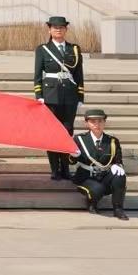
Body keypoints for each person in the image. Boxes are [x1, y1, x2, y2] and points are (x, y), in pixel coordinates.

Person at [33, 16, 85, 180]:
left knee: (67, 132)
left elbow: (79, 74)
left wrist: (80, 96)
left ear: (66, 30)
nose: (58, 30)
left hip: (70, 95)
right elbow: (37, 75)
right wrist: (39, 95)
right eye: (55, 27)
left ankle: (66, 169)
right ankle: (55, 169)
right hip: (51, 96)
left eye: (61, 27)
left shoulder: (74, 49)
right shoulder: (42, 49)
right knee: (52, 133)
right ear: (49, 30)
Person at [69, 108, 128, 220]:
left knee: (120, 176)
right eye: (93, 121)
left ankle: (118, 209)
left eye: (100, 121)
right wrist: (73, 156)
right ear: (86, 123)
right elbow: (71, 162)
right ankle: (92, 203)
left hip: (104, 175)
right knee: (97, 189)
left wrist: (117, 165)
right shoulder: (79, 139)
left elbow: (118, 159)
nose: (97, 125)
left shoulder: (112, 141)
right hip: (86, 176)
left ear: (105, 122)